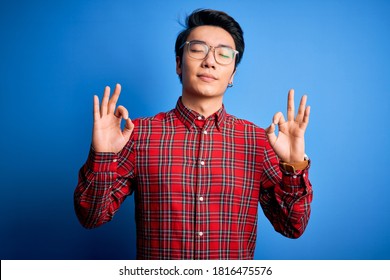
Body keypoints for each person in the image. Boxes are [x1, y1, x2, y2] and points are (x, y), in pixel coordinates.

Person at [74, 8, 313, 260]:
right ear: (179, 63)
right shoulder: (139, 134)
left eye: (223, 54)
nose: (210, 61)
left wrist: (293, 166)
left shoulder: (258, 142)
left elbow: (292, 226)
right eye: (198, 49)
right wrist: (103, 155)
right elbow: (91, 217)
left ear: (232, 74)